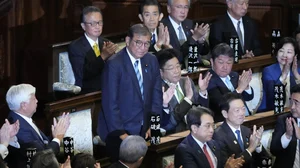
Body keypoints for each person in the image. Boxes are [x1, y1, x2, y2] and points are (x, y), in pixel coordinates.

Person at [98, 24, 162, 161]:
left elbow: (156, 95)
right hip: (119, 132)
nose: (143, 48)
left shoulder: (151, 60)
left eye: (146, 44)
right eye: (138, 43)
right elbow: (110, 103)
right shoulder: (114, 64)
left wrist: (153, 124)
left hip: (144, 129)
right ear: (128, 41)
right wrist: (123, 135)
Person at [6, 84, 70, 167]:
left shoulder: (19, 118)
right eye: (33, 98)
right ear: (24, 105)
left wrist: (54, 137)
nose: (37, 100)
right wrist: (57, 138)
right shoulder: (19, 128)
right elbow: (42, 160)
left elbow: (42, 143)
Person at [156, 48, 211, 134]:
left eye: (178, 66)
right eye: (171, 68)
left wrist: (202, 92)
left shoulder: (186, 81)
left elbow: (201, 109)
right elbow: (170, 123)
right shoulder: (159, 90)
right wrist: (187, 99)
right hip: (176, 134)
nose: (177, 71)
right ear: (161, 72)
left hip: (197, 130)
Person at [68, 6, 118, 93]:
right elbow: (82, 74)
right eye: (93, 23)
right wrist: (102, 56)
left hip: (108, 89)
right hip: (88, 93)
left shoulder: (106, 43)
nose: (97, 26)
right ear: (83, 26)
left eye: (100, 22)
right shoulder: (76, 47)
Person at [174, 106, 245, 168]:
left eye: (213, 125)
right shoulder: (184, 150)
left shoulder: (213, 143)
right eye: (207, 126)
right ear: (194, 128)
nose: (212, 130)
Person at [213, 92, 269, 168]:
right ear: (225, 113)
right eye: (237, 110)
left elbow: (264, 160)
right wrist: (250, 149)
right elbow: (227, 165)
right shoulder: (218, 136)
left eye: (243, 109)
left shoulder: (246, 131)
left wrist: (257, 145)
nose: (242, 113)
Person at [207, 43, 253, 122]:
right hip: (225, 122)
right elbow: (221, 104)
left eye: (229, 63)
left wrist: (246, 86)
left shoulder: (234, 75)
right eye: (221, 62)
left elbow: (249, 97)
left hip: (245, 117)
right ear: (212, 61)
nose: (225, 67)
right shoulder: (208, 80)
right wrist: (240, 89)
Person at [161, 0, 210, 64]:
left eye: (186, 7)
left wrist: (201, 41)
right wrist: (194, 38)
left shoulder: (189, 23)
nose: (183, 11)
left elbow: (204, 52)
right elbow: (178, 56)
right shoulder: (162, 27)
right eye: (179, 7)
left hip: (194, 66)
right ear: (169, 8)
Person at [259, 37, 300, 112]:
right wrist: (283, 76)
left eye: (289, 52)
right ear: (277, 53)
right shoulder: (268, 71)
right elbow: (272, 98)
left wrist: (296, 75)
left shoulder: (297, 70)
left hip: (294, 112)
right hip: (272, 112)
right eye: (281, 51)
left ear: (295, 56)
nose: (284, 55)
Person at [270, 84, 300, 168]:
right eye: (291, 102)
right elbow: (273, 150)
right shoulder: (283, 120)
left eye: (296, 103)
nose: (292, 107)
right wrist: (287, 136)